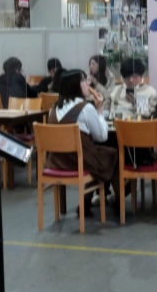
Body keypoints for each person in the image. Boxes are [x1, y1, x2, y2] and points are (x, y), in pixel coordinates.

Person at [45, 70, 118, 214]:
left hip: (57, 161)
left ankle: (87, 202)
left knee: (96, 157)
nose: (88, 83)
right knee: (112, 154)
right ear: (75, 86)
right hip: (79, 161)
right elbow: (102, 136)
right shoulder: (85, 108)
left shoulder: (53, 109)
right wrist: (99, 109)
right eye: (84, 80)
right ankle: (117, 201)